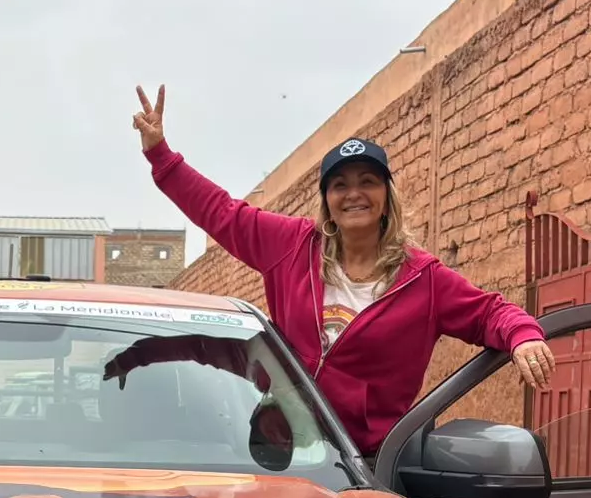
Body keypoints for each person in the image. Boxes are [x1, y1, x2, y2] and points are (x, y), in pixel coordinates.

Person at [129, 84, 556, 457]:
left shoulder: (422, 279)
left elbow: (489, 313)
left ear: (387, 196)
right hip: (284, 450)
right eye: (340, 184)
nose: (354, 194)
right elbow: (221, 214)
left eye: (368, 182)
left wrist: (523, 337)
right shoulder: (292, 246)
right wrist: (161, 157)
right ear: (327, 199)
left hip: (364, 465)